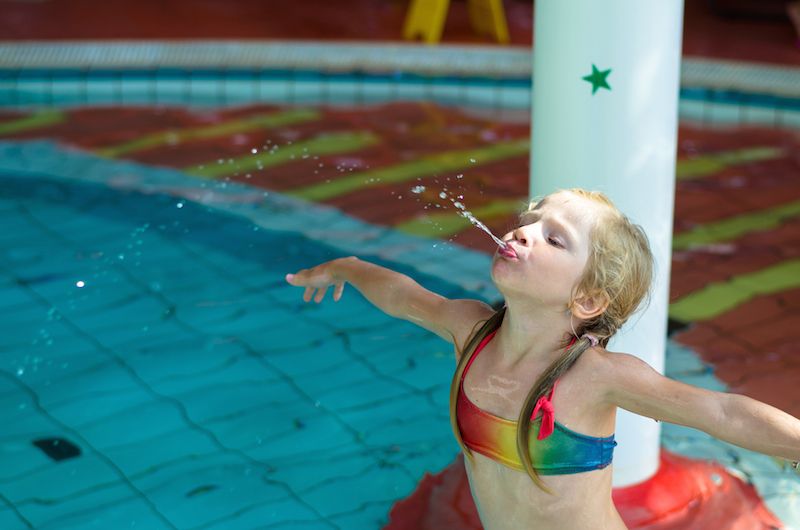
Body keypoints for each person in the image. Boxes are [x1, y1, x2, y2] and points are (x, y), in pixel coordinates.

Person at [285, 188, 800, 530]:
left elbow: (721, 412)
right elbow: (405, 296)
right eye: (529, 222)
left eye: (554, 239)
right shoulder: (472, 333)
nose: (522, 232)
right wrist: (350, 267)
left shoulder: (596, 378)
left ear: (588, 300)